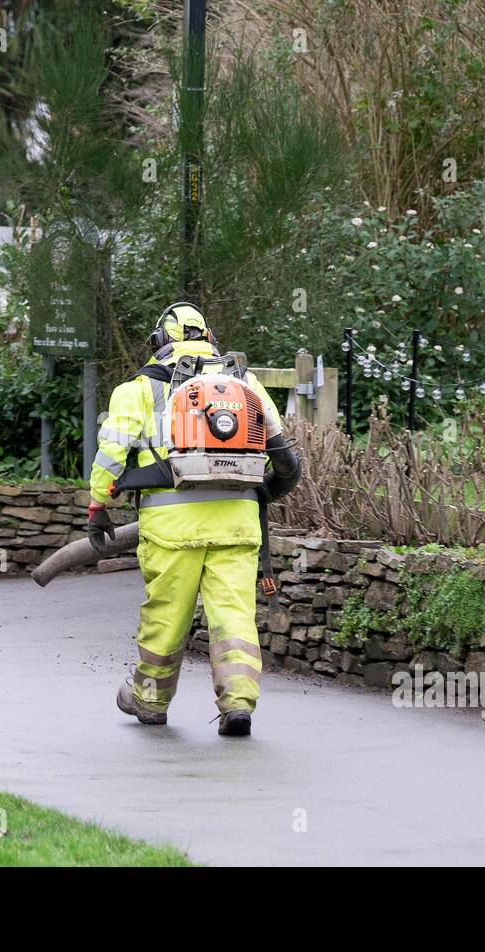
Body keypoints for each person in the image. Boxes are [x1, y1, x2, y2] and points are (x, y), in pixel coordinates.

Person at [85, 302, 302, 736]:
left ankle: (149, 700)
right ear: (209, 338)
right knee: (234, 615)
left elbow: (110, 456)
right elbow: (286, 462)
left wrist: (98, 506)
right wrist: (259, 495)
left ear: (159, 342)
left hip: (170, 529)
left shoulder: (138, 390)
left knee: (166, 615)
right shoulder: (246, 384)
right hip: (237, 524)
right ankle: (238, 704)